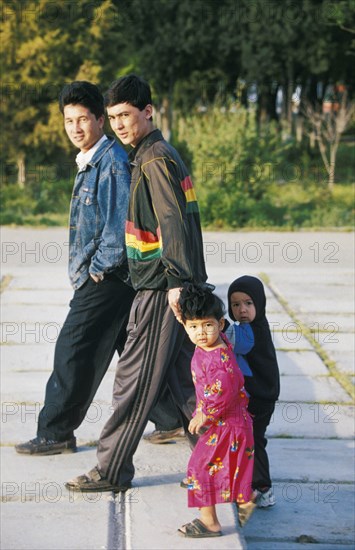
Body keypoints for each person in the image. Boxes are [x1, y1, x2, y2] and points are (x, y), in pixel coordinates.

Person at [65, 74, 207, 492]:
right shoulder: (154, 154)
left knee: (133, 381)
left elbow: (172, 223)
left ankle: (110, 470)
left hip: (163, 291)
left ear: (148, 111)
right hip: (170, 286)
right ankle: (230, 464)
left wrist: (179, 282)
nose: (120, 125)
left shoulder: (153, 160)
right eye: (113, 118)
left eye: (126, 115)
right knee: (187, 386)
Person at [15, 81, 136, 456]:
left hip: (109, 278)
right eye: (69, 121)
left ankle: (55, 432)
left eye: (83, 119)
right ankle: (172, 419)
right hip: (109, 278)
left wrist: (93, 271)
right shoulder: (92, 159)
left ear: (101, 120)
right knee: (130, 350)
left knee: (73, 349)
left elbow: (116, 231)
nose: (75, 128)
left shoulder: (111, 162)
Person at [177, 284, 255, 538]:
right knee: (222, 467)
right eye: (194, 327)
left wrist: (204, 413)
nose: (201, 333)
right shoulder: (211, 345)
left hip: (227, 425)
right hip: (227, 423)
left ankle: (210, 522)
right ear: (185, 325)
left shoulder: (219, 358)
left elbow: (224, 387)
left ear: (221, 325)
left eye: (207, 325)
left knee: (199, 469)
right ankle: (244, 501)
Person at [227, 275, 280, 507]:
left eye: (248, 303)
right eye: (236, 305)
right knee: (250, 440)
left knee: (255, 441)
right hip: (257, 395)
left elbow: (238, 344)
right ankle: (249, 484)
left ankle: (262, 487)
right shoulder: (251, 326)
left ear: (259, 303)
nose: (242, 310)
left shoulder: (253, 331)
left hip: (260, 397)